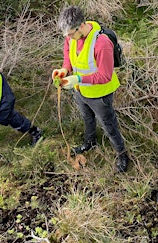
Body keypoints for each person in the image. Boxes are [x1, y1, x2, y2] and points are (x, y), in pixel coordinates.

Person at [53, 6, 129, 173]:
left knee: (109, 125)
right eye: (67, 36)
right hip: (80, 90)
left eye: (71, 34)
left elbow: (105, 76)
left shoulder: (102, 44)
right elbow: (68, 53)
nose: (70, 39)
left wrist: (78, 78)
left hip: (100, 95)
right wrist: (65, 70)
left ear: (81, 26)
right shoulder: (71, 36)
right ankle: (90, 142)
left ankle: (122, 154)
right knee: (87, 118)